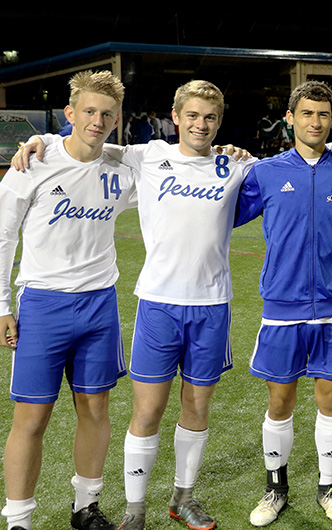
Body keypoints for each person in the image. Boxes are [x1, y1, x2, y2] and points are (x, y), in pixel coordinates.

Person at [11, 80, 259, 530]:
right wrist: (39, 139)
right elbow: (80, 143)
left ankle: (180, 499)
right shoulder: (145, 156)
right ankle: (130, 511)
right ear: (175, 116)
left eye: (210, 118)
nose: (200, 125)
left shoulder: (235, 165)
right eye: (192, 115)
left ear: (220, 122)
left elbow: (291, 166)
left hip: (211, 305)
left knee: (193, 408)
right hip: (153, 306)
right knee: (143, 411)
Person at [234, 80, 332, 528]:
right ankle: (275, 488)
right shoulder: (265, 172)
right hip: (282, 305)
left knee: (330, 398)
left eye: (324, 115)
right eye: (307, 114)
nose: (315, 122)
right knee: (281, 401)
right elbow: (224, 211)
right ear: (290, 118)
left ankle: (328, 487)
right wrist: (226, 160)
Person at [0, 70, 135, 530]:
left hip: (99, 305)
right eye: (90, 111)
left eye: (107, 114)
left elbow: (176, 167)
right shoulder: (32, 164)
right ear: (69, 114)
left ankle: (85, 508)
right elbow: (3, 237)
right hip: (43, 305)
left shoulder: (123, 168)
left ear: (117, 121)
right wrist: (1, 305)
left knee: (96, 409)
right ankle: (18, 519)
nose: (97, 121)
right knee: (31, 416)